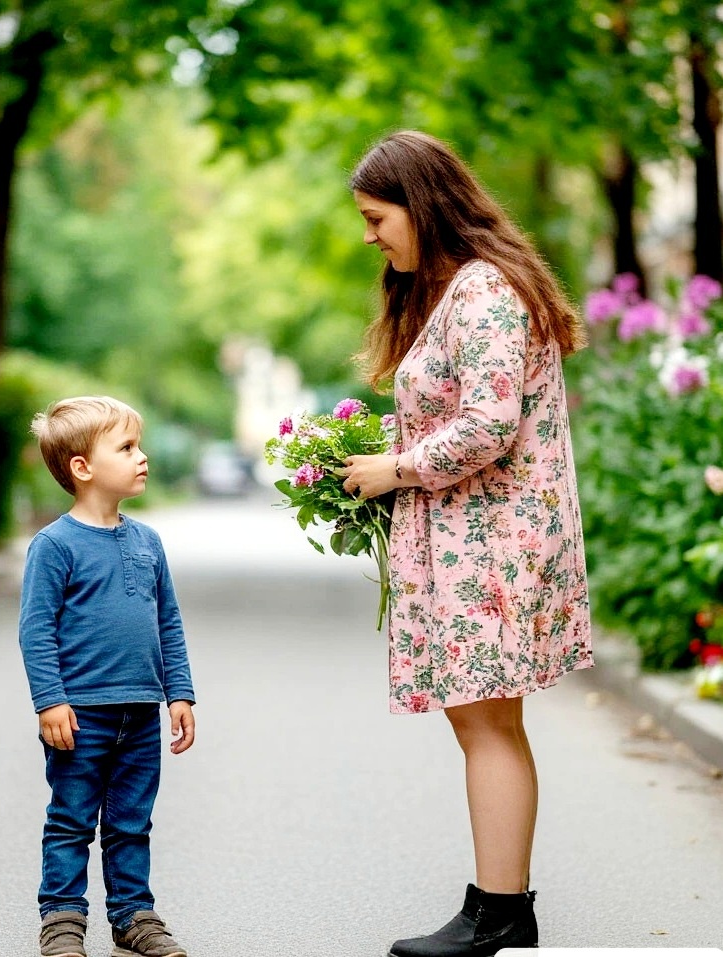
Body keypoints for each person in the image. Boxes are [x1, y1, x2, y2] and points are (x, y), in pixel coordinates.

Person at [338, 131, 594, 957]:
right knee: (487, 726)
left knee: (486, 727)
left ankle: (499, 911)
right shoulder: (466, 288)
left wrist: (396, 468)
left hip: (492, 546)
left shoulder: (482, 289)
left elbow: (488, 422)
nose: (370, 236)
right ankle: (498, 906)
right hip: (484, 539)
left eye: (377, 218)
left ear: (422, 205)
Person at [18, 395, 195, 957]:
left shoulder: (148, 542)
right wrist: (50, 701)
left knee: (131, 822)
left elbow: (168, 621)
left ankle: (134, 915)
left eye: (139, 446)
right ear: (82, 467)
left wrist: (179, 692)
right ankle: (62, 920)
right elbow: (36, 631)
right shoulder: (54, 546)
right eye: (126, 448)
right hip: (79, 715)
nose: (142, 457)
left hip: (141, 712)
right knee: (71, 820)